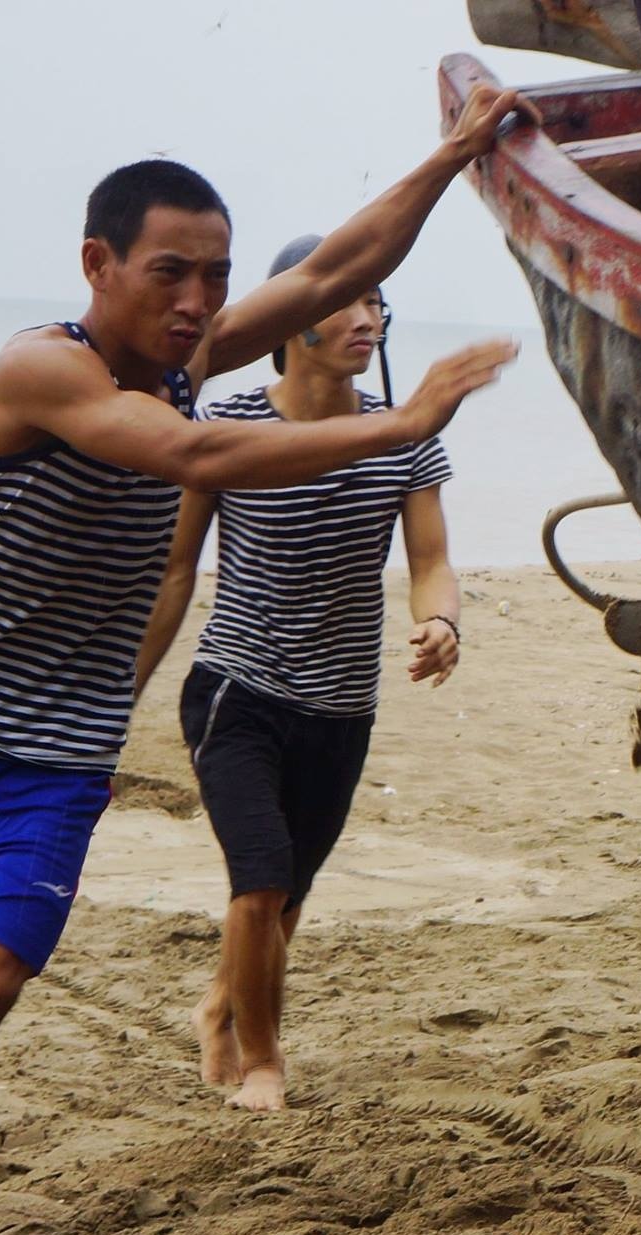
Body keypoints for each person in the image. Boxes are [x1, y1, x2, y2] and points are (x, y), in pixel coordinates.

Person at [0, 84, 534, 1235]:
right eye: (170, 273)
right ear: (97, 265)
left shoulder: (185, 359)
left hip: (53, 751)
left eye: (215, 276)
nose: (197, 301)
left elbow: (343, 263)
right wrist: (401, 422)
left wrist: (456, 154)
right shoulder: (39, 371)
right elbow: (197, 453)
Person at [135, 239, 461, 1112]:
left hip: (342, 707)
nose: (366, 318)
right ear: (290, 322)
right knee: (262, 878)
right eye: (346, 300)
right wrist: (123, 686)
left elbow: (431, 561)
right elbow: (175, 571)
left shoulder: (404, 437)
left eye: (376, 301)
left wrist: (441, 621)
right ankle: (263, 1064)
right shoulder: (228, 425)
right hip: (237, 690)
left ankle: (220, 1005)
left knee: (287, 898)